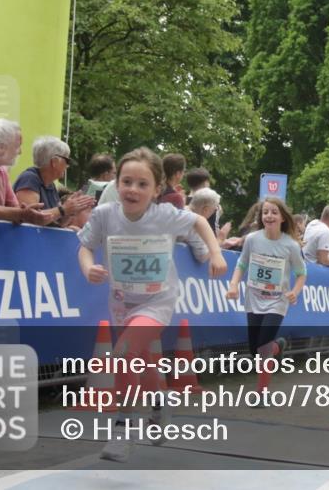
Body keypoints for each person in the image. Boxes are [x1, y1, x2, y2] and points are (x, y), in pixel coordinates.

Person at [77, 147, 227, 463]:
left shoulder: (165, 215)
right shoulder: (105, 215)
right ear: (116, 184)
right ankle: (159, 402)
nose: (133, 189)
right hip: (121, 302)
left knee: (123, 356)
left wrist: (216, 252)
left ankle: (124, 429)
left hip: (158, 301)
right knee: (142, 362)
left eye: (142, 184)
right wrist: (88, 267)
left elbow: (200, 223)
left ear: (157, 190)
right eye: (126, 181)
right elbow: (85, 248)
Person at [226, 197, 307, 398]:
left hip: (277, 301)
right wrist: (234, 284)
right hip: (253, 298)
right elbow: (242, 264)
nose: (269, 216)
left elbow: (301, 273)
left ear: (282, 218)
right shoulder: (252, 239)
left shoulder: (291, 246)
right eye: (265, 212)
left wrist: (294, 292)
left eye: (273, 212)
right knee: (255, 351)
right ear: (261, 217)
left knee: (262, 348)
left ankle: (262, 393)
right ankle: (278, 345)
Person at [13, 136, 95, 228]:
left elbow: (58, 223)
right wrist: (63, 209)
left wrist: (70, 211)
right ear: (54, 162)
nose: (68, 166)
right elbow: (30, 218)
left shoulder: (50, 184)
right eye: (67, 161)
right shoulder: (29, 178)